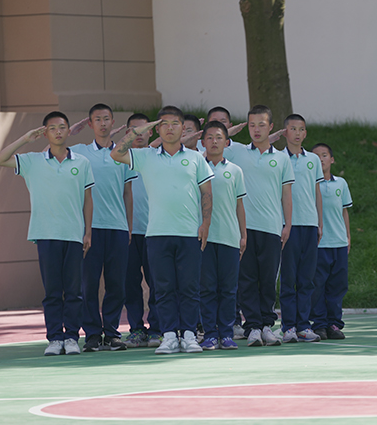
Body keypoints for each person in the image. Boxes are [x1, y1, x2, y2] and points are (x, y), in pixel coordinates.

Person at [111, 106, 214, 355]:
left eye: (175, 123)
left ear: (183, 128)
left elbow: (207, 193)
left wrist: (205, 224)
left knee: (189, 287)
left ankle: (188, 335)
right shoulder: (146, 156)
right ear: (157, 129)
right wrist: (138, 131)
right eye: (164, 124)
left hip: (189, 233)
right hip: (157, 234)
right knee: (163, 288)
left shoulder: (196, 158)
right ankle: (168, 335)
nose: (170, 128)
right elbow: (117, 153)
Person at [0, 111, 94, 356]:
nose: (58, 132)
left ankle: (71, 337)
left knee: (74, 292)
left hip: (73, 235)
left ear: (69, 130)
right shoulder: (32, 161)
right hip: (46, 234)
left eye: (62, 127)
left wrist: (88, 232)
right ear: (45, 133)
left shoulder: (81, 162)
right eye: (52, 128)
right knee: (52, 292)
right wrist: (25, 139)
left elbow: (88, 199)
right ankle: (55, 339)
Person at [223, 105, 294, 347]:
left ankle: (266, 325)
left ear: (271, 127)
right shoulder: (237, 153)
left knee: (268, 280)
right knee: (247, 279)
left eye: (261, 125)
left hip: (272, 228)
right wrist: (228, 132)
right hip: (243, 229)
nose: (256, 129)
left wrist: (287, 224)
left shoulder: (282, 158)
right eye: (252, 125)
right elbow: (208, 146)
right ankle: (252, 326)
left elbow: (287, 194)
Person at [70, 104, 136, 352]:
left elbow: (128, 193)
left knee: (116, 284)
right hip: (90, 229)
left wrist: (129, 227)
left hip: (117, 228)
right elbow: (48, 152)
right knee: (89, 284)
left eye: (106, 119)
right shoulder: (80, 152)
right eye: (97, 119)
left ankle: (111, 333)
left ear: (113, 122)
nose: (103, 123)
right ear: (90, 124)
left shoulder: (123, 154)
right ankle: (92, 334)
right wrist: (71, 132)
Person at [199, 121, 247, 351]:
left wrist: (243, 235)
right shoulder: (197, 168)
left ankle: (226, 334)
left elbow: (240, 205)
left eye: (218, 137)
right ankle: (210, 334)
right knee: (207, 288)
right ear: (202, 142)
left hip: (229, 237)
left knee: (228, 289)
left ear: (227, 142)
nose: (214, 141)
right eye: (209, 137)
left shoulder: (235, 171)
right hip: (204, 239)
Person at [280, 114, 323, 343]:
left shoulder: (313, 160)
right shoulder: (278, 158)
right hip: (288, 226)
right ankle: (288, 327)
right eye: (293, 128)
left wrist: (320, 223)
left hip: (310, 224)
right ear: (285, 132)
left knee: (307, 278)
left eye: (301, 129)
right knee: (289, 278)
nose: (297, 133)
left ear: (305, 133)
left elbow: (316, 192)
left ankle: (304, 326)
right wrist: (283, 224)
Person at [122, 113, 162, 348]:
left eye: (142, 129)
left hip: (155, 230)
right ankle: (136, 329)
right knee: (130, 284)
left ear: (151, 131)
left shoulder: (158, 157)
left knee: (157, 283)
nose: (138, 134)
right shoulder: (119, 158)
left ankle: (157, 329)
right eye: (133, 130)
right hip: (127, 232)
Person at [310, 143, 352, 341]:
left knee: (338, 285)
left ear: (332, 159)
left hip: (339, 243)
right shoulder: (309, 185)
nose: (321, 159)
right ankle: (319, 324)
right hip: (319, 244)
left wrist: (347, 236)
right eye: (316, 156)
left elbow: (344, 211)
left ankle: (334, 324)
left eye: (324, 155)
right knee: (318, 286)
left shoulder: (341, 184)